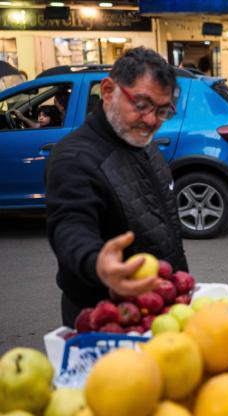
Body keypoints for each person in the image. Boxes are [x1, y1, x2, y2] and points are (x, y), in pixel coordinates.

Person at [45, 47, 188, 327]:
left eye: (162, 110)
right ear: (108, 91)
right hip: (108, 317)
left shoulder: (141, 143)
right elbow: (70, 225)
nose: (151, 120)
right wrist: (97, 262)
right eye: (141, 104)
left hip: (157, 308)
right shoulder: (74, 158)